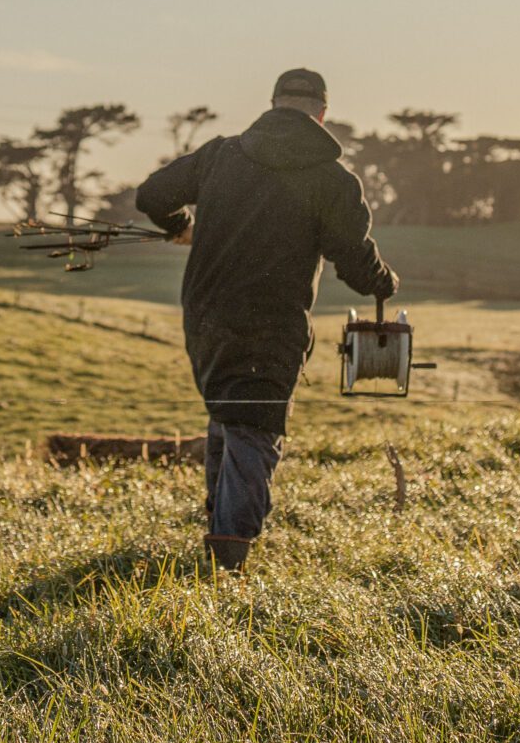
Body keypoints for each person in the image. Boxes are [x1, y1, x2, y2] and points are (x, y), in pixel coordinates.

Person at [136, 68, 398, 574]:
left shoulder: (219, 154)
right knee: (254, 428)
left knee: (229, 415)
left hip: (206, 314)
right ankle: (229, 557)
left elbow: (151, 196)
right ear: (322, 114)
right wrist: (383, 282)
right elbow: (353, 258)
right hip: (274, 323)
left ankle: (218, 534)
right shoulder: (333, 180)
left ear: (274, 104)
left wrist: (180, 226)